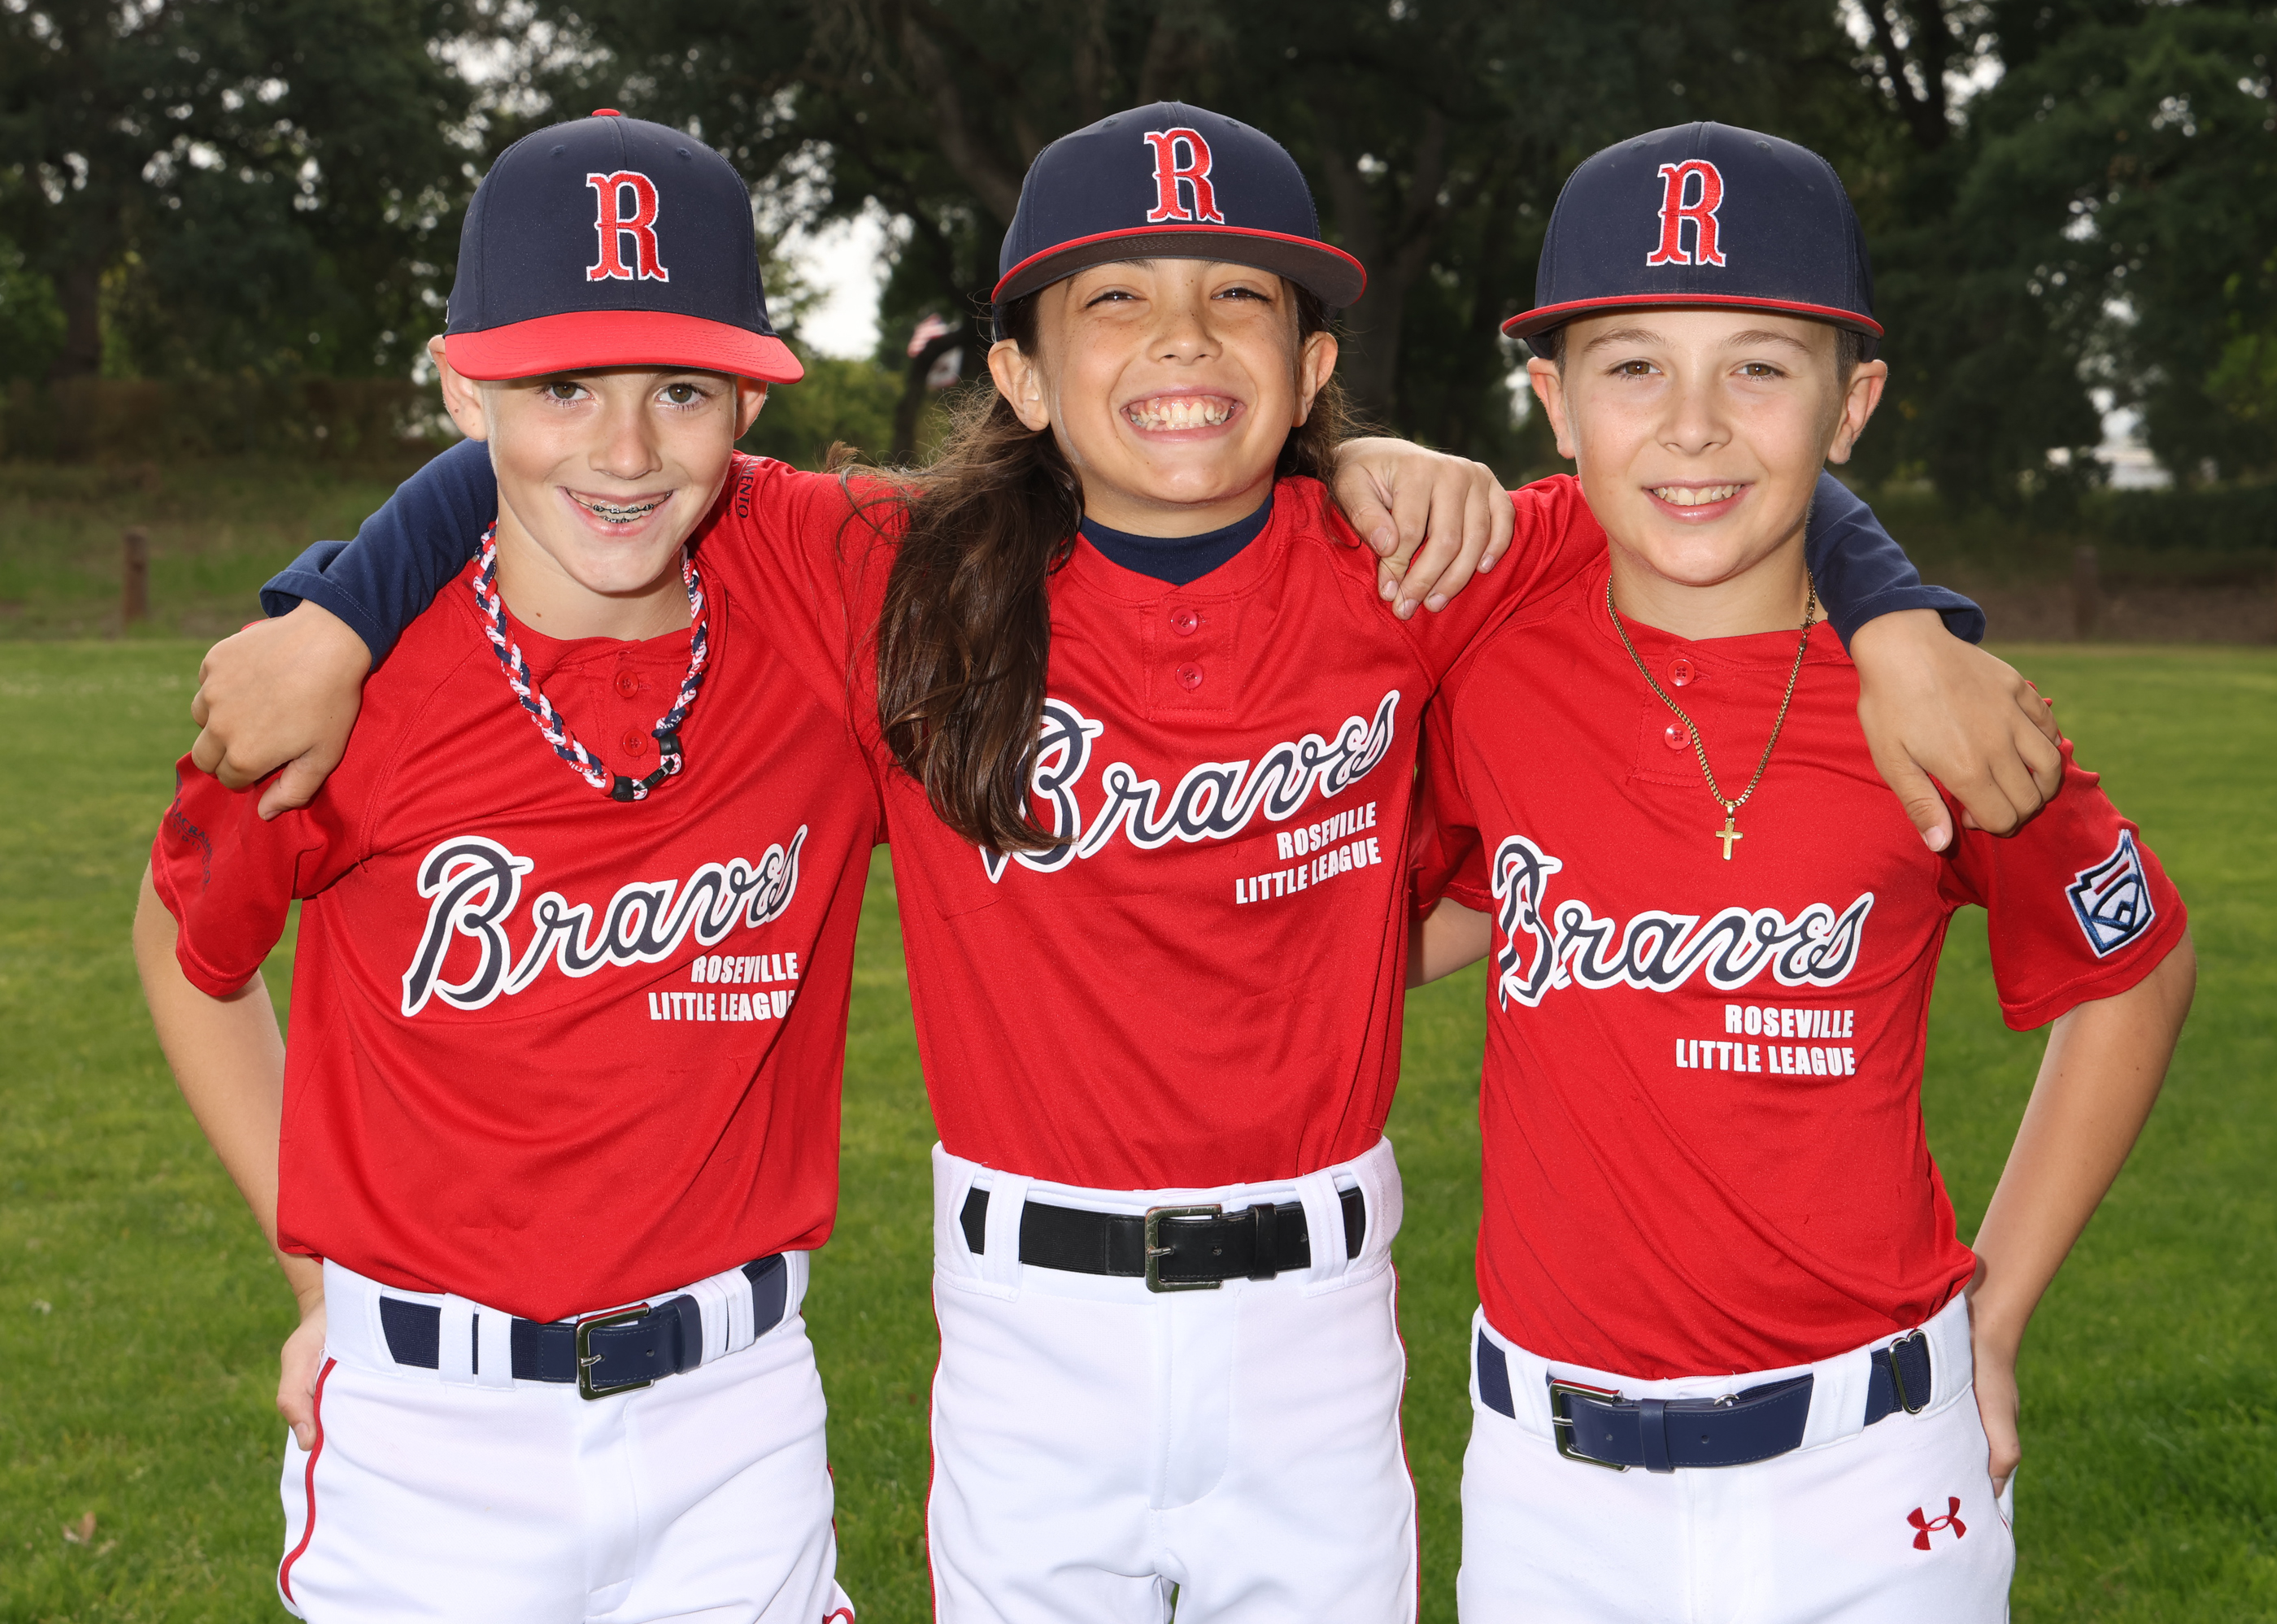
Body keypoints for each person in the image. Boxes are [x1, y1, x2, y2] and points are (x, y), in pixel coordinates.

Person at [183, 104, 2063, 1624]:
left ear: (1310, 365)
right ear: (1014, 372)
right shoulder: (886, 572)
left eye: (1235, 297)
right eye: (1112, 302)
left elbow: (1715, 470)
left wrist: (1896, 616)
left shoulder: (1419, 562)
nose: (1177, 340)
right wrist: (341, 604)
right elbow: (601, 437)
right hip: (1026, 1324)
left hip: (1318, 1315)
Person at [1406, 120, 2196, 1622]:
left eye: (1761, 367)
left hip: (1873, 1469)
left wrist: (1999, 1310)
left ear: (1853, 407)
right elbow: (1454, 897)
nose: (1694, 426)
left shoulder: (1935, 706)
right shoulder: (1494, 656)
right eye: (1634, 367)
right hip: (1549, 1482)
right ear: (1553, 404)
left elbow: (2136, 970)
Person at [134, 111, 869, 1622]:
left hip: (737, 1415)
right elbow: (186, 948)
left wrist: (1347, 461)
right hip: (428, 1436)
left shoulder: (824, 632)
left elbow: (1088, 507)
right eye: (561, 386)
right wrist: (315, 1276)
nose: (626, 450)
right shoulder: (358, 682)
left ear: (747, 398)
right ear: (462, 388)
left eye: (682, 390)